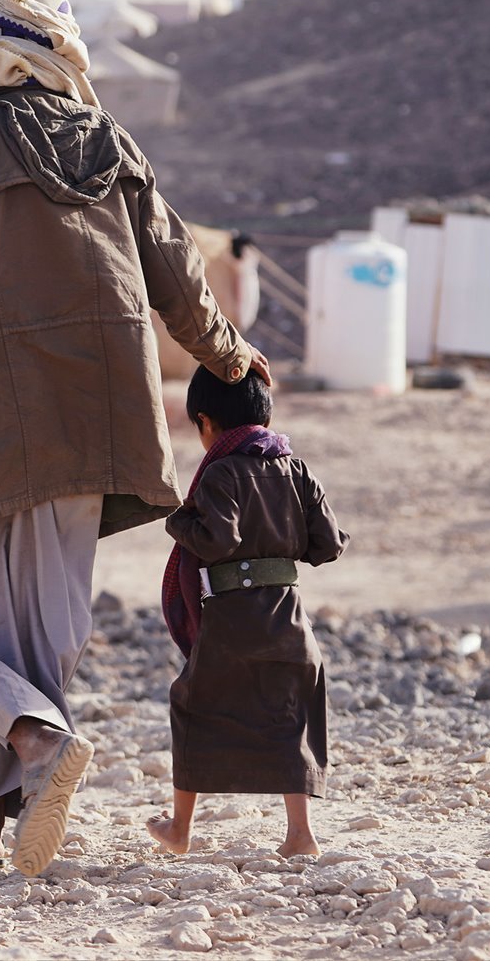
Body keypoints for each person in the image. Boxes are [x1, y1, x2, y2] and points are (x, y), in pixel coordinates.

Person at [0, 0, 271, 877]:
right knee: (35, 641)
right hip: (101, 422)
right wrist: (232, 356)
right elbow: (180, 277)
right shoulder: (114, 142)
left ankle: (41, 743)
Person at [148, 367, 348, 857]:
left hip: (233, 621)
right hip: (290, 619)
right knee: (291, 715)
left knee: (192, 704)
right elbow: (328, 546)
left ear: (205, 422)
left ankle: (180, 829)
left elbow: (218, 540)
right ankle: (300, 835)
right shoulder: (297, 470)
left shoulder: (219, 473)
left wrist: (178, 521)